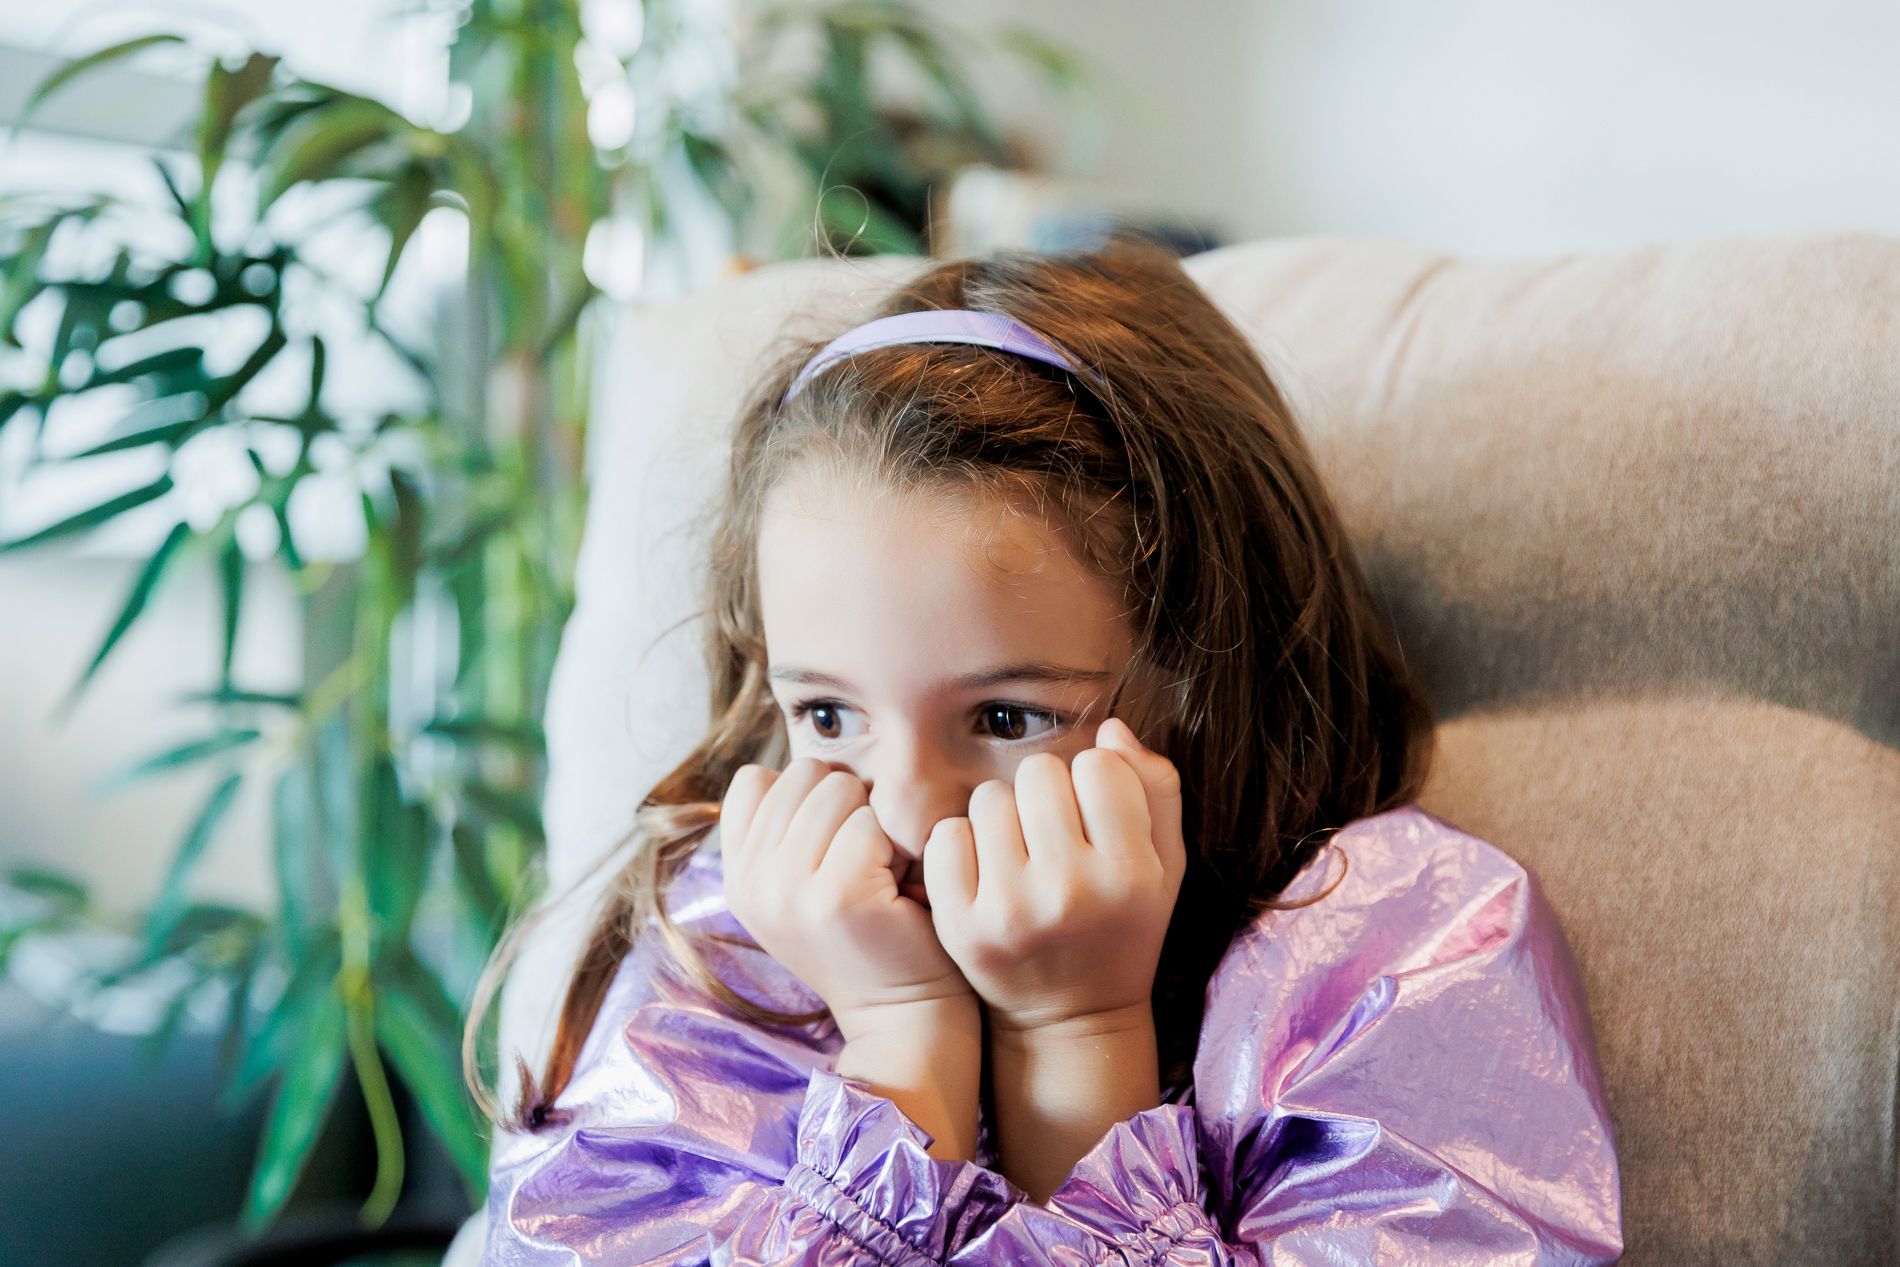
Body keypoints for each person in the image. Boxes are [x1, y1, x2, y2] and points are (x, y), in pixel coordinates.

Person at [466, 233, 1624, 1264]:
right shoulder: (724, 951)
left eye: (1008, 718)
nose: (907, 813)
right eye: (827, 716)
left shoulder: (1396, 951)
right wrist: (899, 1051)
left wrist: (1079, 1040)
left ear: (1204, 673)